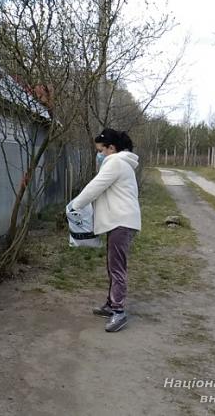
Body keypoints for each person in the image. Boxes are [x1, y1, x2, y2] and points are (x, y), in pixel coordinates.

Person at [70, 128, 141, 332]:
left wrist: (74, 205)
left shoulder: (116, 162)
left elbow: (95, 187)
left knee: (117, 267)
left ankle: (118, 311)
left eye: (101, 150)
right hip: (120, 221)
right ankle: (111, 305)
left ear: (111, 147)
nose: (99, 155)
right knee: (113, 265)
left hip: (121, 222)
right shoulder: (121, 163)